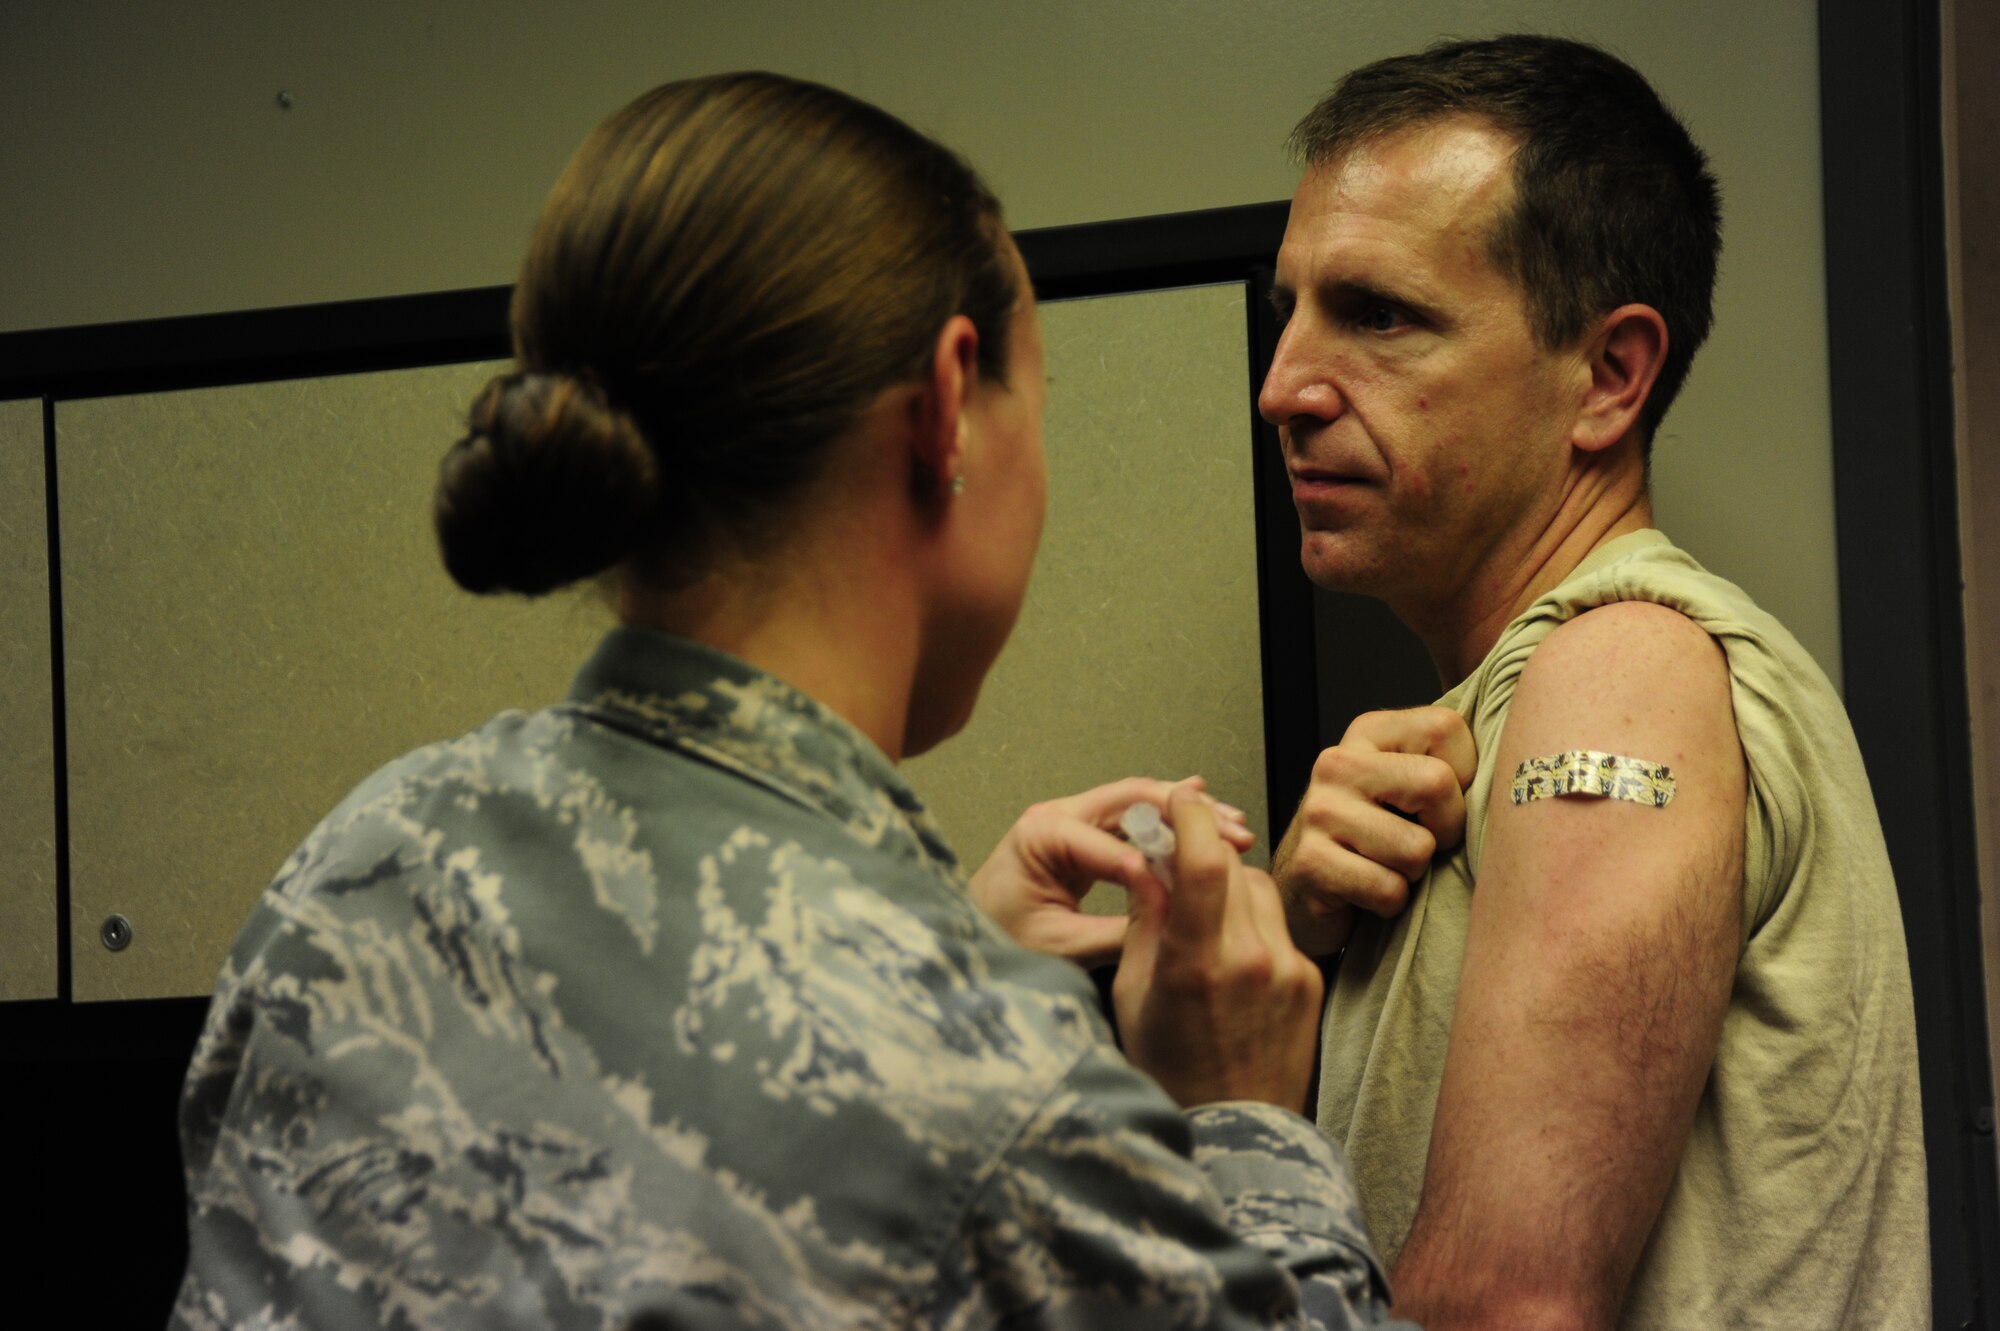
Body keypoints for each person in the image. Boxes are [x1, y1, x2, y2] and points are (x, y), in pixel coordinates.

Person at [170, 72, 1420, 1330]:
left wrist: (949, 946)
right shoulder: (993, 1091)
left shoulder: (361, 855)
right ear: (946, 406)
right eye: (1039, 406)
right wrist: (1237, 1114)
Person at [1259, 34, 1930, 1330]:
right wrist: (1292, 966)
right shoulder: (1509, 701)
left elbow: (1507, 1301)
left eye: (1378, 314)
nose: (1284, 383)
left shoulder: (1619, 667)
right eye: (1289, 305)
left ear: (1609, 376)